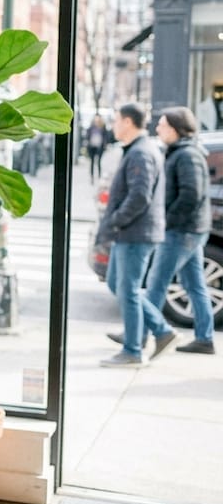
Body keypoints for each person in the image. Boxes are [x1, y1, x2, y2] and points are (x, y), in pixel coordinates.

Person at [118, 107, 213, 355]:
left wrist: (166, 220)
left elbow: (190, 195)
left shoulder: (186, 155)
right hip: (190, 229)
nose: (158, 129)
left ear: (175, 128)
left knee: (156, 283)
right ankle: (205, 338)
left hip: (181, 231)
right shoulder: (182, 151)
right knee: (195, 286)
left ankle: (139, 335)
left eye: (162, 124)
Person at [96, 103, 172, 368]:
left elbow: (139, 196)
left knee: (127, 288)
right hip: (130, 232)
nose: (114, 125)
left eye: (116, 120)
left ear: (127, 122)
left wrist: (116, 220)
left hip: (136, 233)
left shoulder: (141, 152)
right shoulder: (137, 150)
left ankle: (134, 349)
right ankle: (154, 332)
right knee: (118, 284)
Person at [84, 114, 110, 183]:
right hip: (91, 146)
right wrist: (87, 143)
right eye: (96, 118)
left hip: (100, 146)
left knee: (98, 162)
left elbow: (106, 136)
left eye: (98, 118)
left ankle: (99, 176)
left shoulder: (103, 127)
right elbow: (87, 135)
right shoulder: (91, 127)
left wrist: (105, 144)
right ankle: (92, 177)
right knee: (92, 162)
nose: (97, 119)